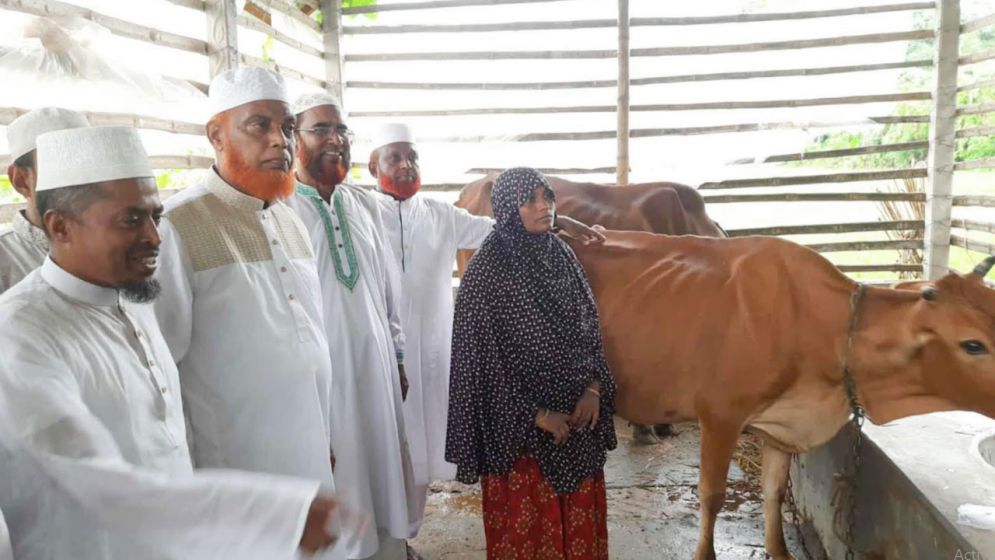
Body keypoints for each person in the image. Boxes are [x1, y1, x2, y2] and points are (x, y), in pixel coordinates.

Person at [0, 125, 339, 559]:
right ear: (60, 227)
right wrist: (278, 514)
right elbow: (96, 483)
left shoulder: (135, 301)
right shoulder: (21, 336)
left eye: (154, 216)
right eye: (130, 220)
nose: (155, 238)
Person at [369, 125, 606, 532]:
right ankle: (381, 534)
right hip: (379, 345)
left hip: (437, 348)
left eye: (413, 157)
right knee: (382, 440)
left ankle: (408, 532)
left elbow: (501, 227)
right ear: (374, 165)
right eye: (395, 158)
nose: (406, 166)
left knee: (424, 441)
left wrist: (558, 219)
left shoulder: (439, 214)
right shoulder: (360, 213)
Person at [153, 68, 342, 559]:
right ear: (216, 134)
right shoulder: (177, 225)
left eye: (285, 126)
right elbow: (162, 369)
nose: (279, 141)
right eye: (259, 125)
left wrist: (326, 436)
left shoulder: (290, 214)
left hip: (309, 458)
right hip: (234, 470)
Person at [446, 167, 617, 559]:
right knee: (529, 539)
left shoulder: (562, 256)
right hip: (520, 440)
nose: (544, 206)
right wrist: (537, 415)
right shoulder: (487, 274)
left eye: (548, 197)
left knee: (580, 536)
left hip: (577, 425)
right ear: (507, 208)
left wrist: (593, 388)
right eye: (530, 199)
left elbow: (589, 325)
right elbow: (478, 363)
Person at [287, 92, 418, 560]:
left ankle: (390, 550)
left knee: (384, 469)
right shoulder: (280, 211)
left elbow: (387, 290)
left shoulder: (362, 206)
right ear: (293, 138)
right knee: (342, 469)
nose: (335, 140)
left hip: (377, 368)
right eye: (320, 129)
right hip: (327, 379)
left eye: (341, 130)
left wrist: (398, 355)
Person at [0, 107, 89, 292]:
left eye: (89, 163)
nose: (83, 179)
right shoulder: (5, 258)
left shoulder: (117, 242)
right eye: (62, 167)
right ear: (21, 180)